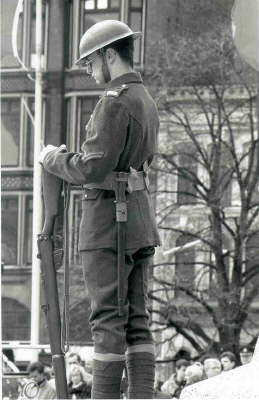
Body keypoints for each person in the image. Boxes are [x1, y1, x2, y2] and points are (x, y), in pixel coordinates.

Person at [39, 19, 160, 399]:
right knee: (137, 321)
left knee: (107, 320)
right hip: (139, 221)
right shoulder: (145, 99)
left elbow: (92, 166)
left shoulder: (114, 102)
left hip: (108, 226)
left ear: (110, 55)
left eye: (90, 63)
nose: (89, 72)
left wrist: (53, 159)